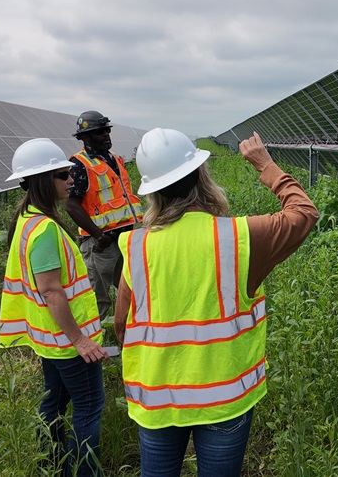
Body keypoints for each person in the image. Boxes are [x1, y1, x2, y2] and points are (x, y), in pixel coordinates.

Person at [114, 129, 318, 477]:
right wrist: (266, 165)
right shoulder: (241, 236)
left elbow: (122, 326)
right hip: (224, 398)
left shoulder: (135, 246)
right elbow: (304, 213)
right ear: (201, 176)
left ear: (153, 192)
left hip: (157, 394)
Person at [0, 138, 109, 477]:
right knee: (89, 408)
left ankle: (52, 466)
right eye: (64, 175)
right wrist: (81, 341)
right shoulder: (44, 229)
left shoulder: (28, 220)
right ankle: (83, 472)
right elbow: (51, 291)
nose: (72, 179)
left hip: (50, 338)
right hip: (67, 343)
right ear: (45, 180)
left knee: (55, 404)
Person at [65, 110, 143, 320]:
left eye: (106, 130)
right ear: (85, 137)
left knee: (131, 292)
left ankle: (129, 334)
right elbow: (71, 205)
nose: (106, 135)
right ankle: (92, 345)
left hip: (123, 240)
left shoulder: (114, 159)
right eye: (99, 132)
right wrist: (99, 236)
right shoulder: (80, 165)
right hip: (100, 244)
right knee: (97, 299)